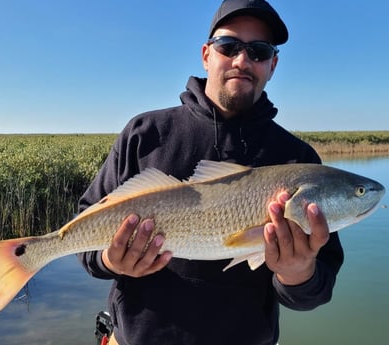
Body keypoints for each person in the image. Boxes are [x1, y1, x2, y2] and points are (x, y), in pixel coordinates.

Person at [78, 1, 344, 344]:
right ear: (206, 55)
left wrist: (297, 273)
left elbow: (315, 293)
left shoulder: (298, 161)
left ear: (273, 65)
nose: (242, 61)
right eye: (229, 46)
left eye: (259, 51)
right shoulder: (144, 133)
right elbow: (85, 235)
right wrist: (111, 260)